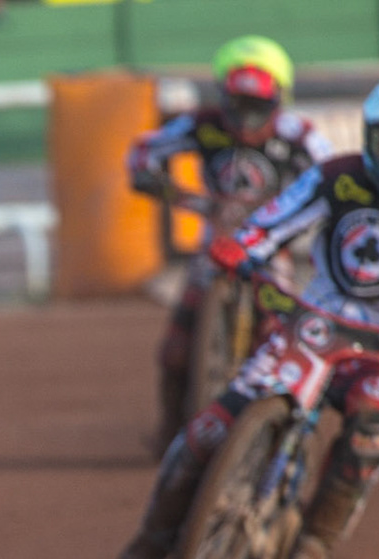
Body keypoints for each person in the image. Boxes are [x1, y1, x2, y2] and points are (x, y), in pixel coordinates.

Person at [116, 75, 379, 559]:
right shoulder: (337, 176)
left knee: (378, 424)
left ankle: (317, 539)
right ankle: (155, 534)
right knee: (209, 428)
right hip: (311, 322)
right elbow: (272, 221)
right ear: (369, 137)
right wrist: (243, 248)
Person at [127, 36, 331, 448]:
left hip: (271, 255)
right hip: (212, 250)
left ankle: (281, 436)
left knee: (278, 339)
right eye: (238, 105)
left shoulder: (299, 136)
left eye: (259, 108)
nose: (247, 120)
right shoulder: (203, 125)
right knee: (175, 351)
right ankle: (170, 427)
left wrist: (300, 213)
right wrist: (176, 195)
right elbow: (142, 154)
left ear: (279, 100)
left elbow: (334, 179)